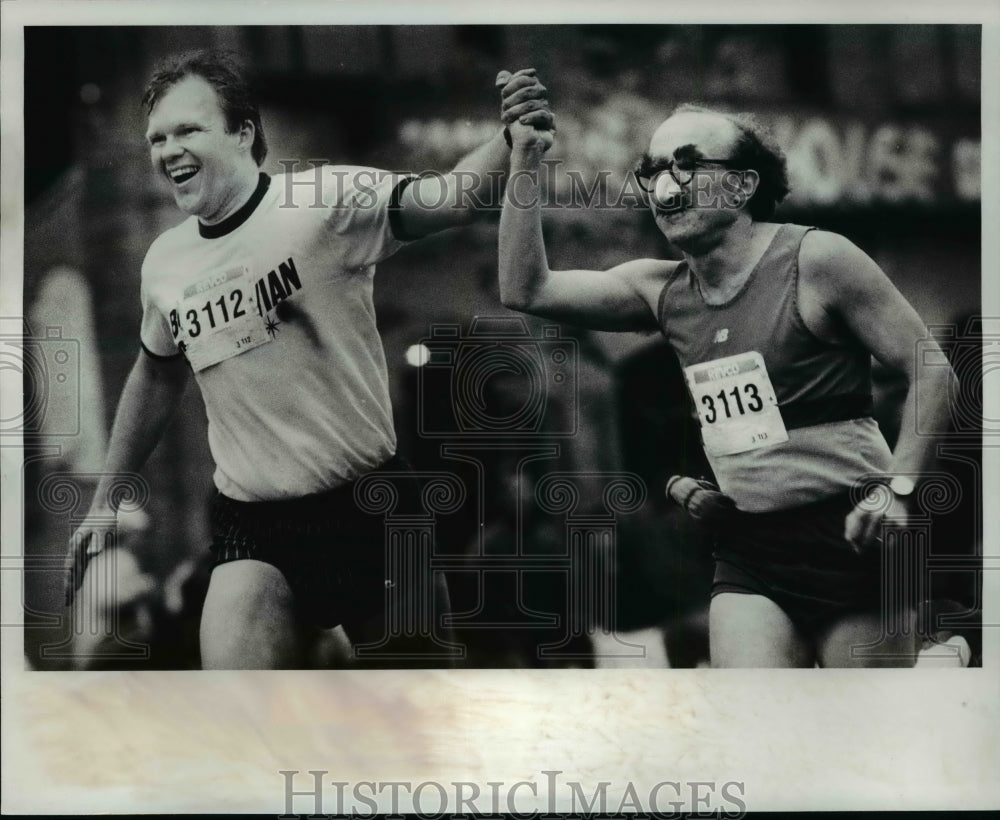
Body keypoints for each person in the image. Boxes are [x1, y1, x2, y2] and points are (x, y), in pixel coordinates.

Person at [64, 50, 553, 670]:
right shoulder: (164, 263)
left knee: (414, 718)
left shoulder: (323, 201)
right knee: (245, 718)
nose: (167, 151)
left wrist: (508, 138)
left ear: (243, 132)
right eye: (156, 139)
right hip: (254, 524)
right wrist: (106, 497)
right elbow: (156, 373)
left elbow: (453, 198)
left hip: (370, 508)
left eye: (187, 130)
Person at [497, 102, 956, 668]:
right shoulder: (659, 290)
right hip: (749, 550)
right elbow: (526, 289)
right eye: (654, 169)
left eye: (688, 164)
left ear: (741, 185)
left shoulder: (818, 260)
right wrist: (523, 158)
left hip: (854, 534)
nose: (666, 184)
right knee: (753, 733)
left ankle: (938, 662)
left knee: (859, 739)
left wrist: (900, 490)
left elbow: (932, 371)